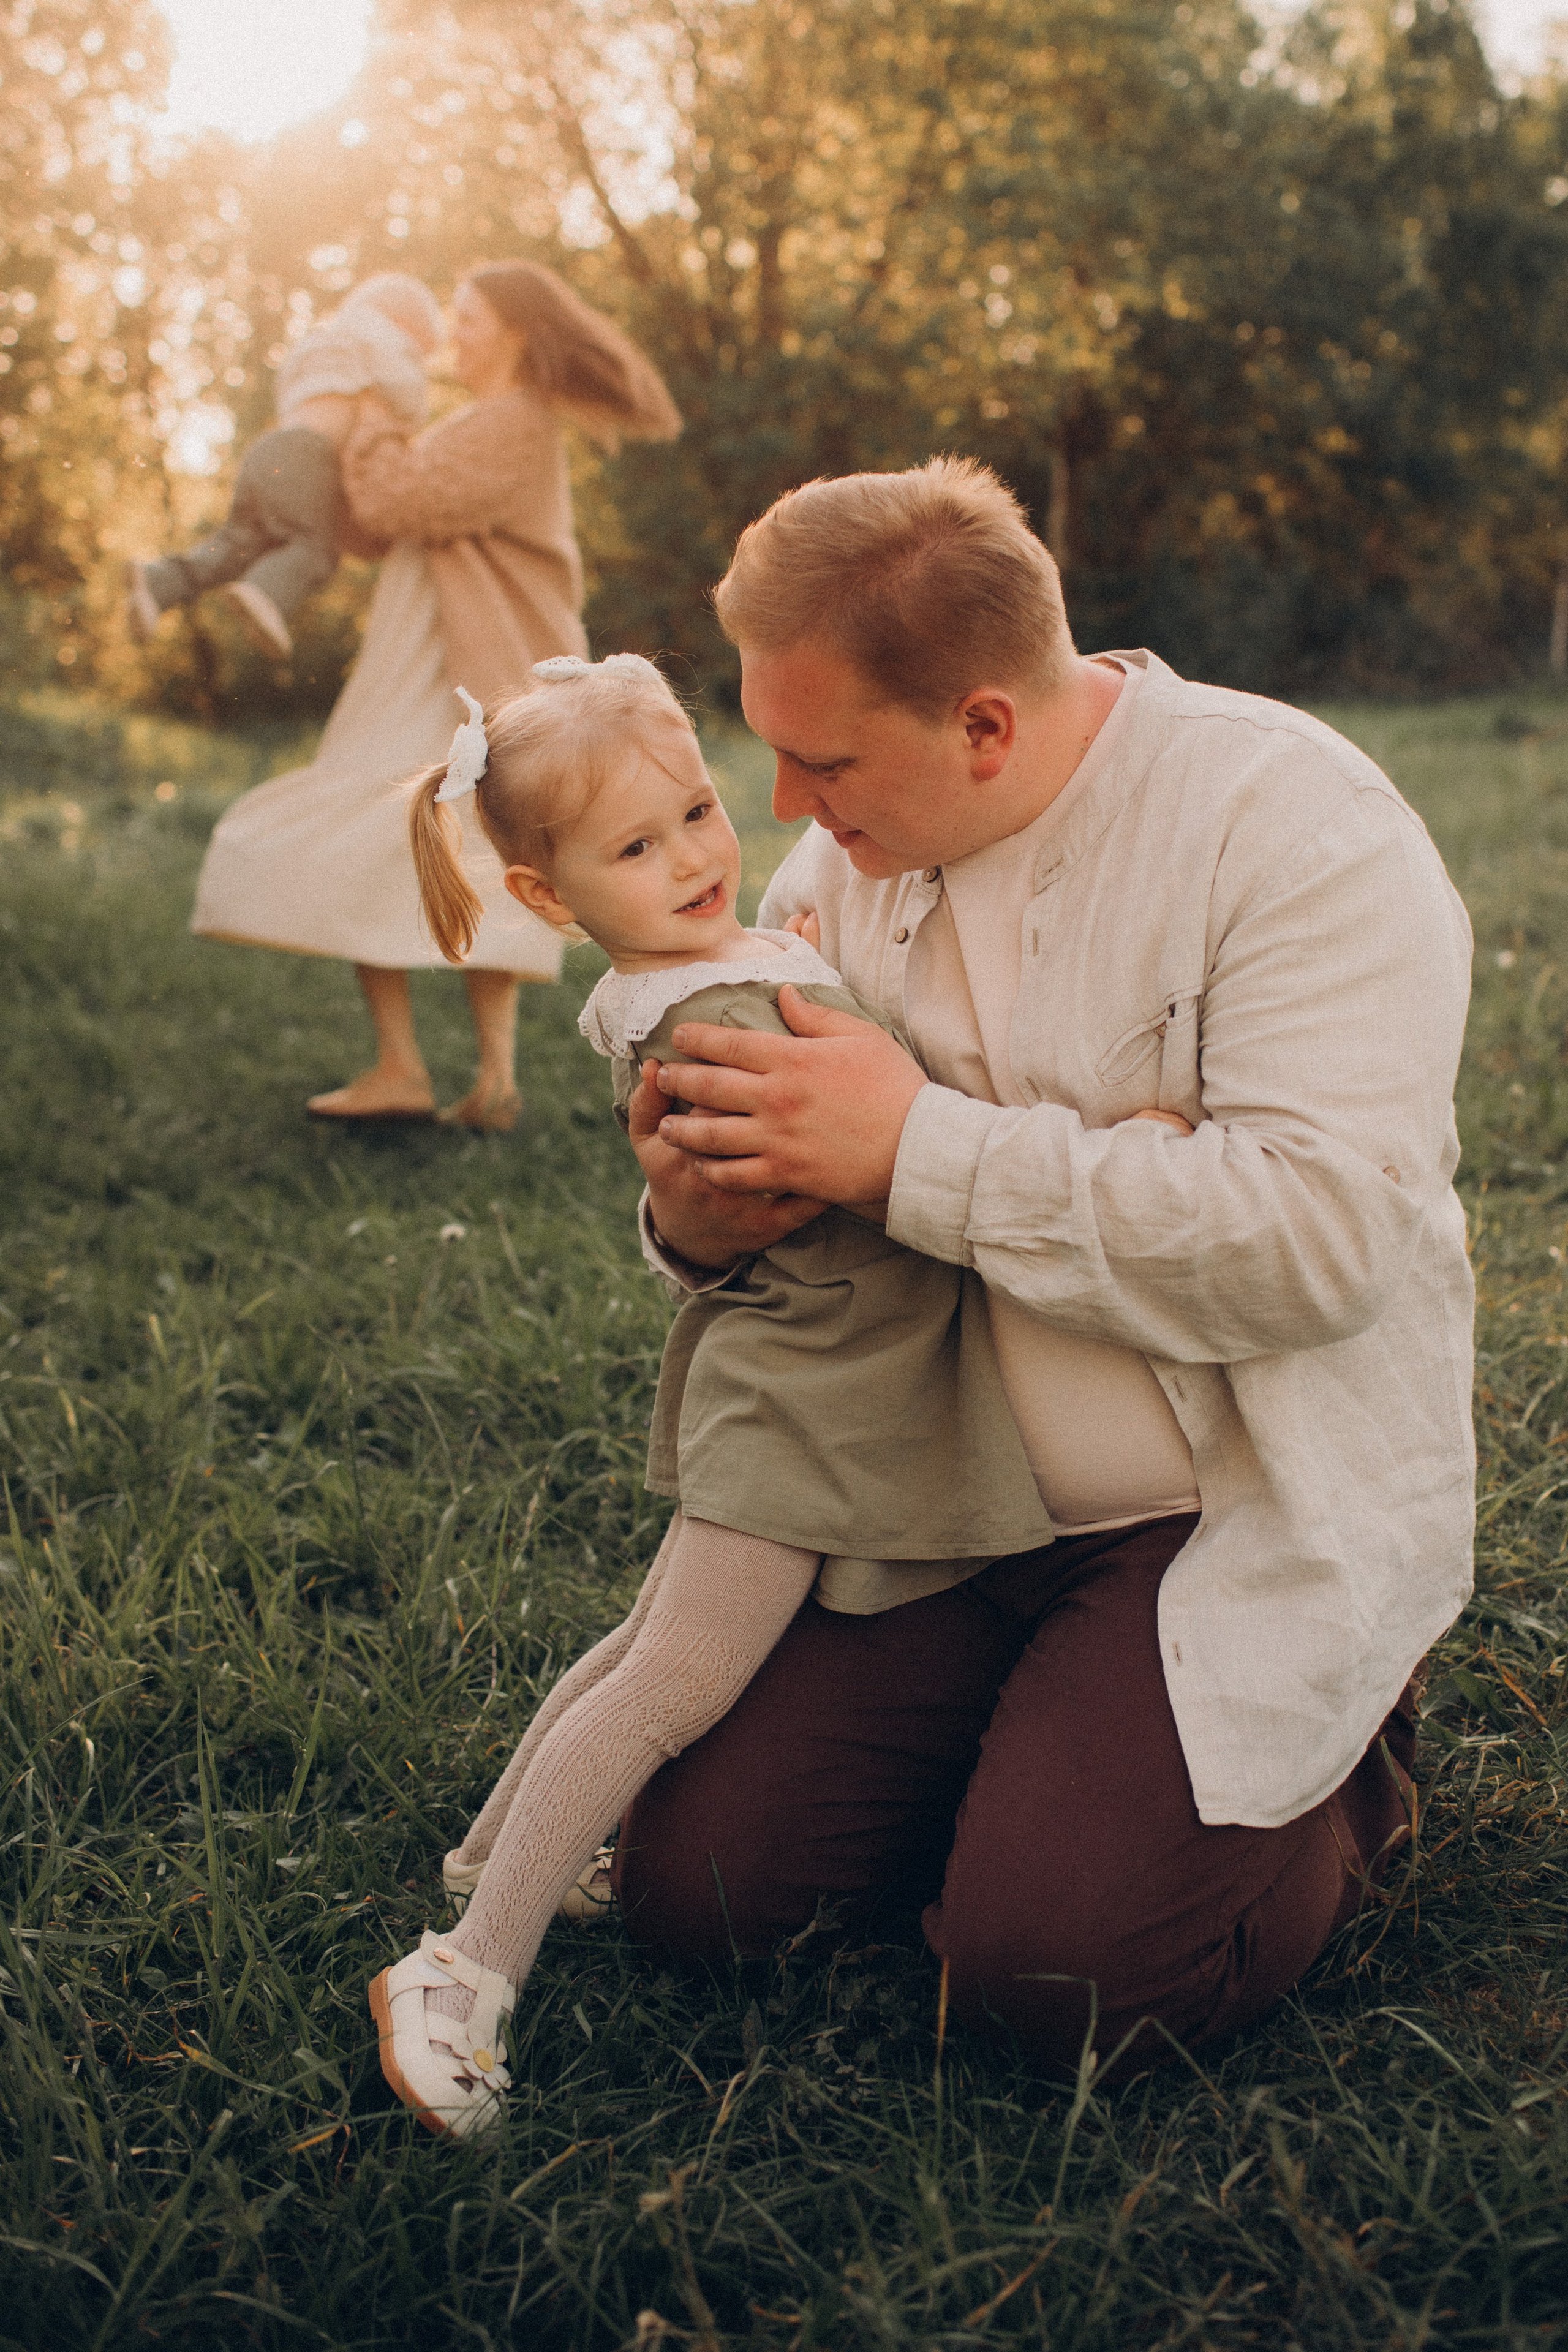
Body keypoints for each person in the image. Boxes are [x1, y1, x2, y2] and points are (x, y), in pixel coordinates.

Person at [606, 456, 1476, 2078]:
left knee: (1059, 1987)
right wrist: (705, 1224)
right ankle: (1050, 1752)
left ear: (984, 727)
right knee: (698, 1895)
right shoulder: (837, 869)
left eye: (822, 759)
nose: (782, 807)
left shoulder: (1293, 823)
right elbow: (790, 1206)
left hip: (1219, 1510)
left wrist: (910, 1147)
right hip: (936, 1502)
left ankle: (1339, 1763)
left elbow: (1320, 1239)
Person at [374, 647, 1134, 2136]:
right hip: (807, 1392)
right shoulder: (714, 1015)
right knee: (675, 1683)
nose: (691, 857)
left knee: (642, 1646)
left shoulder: (717, 967)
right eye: (633, 848)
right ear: (542, 892)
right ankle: (464, 1971)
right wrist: (1095, 1135)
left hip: (796, 1373)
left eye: (695, 811)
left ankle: (491, 1860)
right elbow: (879, 1144)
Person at [190, 262, 680, 1130]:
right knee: (413, 833)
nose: (453, 333)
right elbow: (378, 521)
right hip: (429, 660)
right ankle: (428, 1071)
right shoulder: (482, 423)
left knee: (435, 834)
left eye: (469, 316)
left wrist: (373, 411)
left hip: (465, 669)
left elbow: (400, 501)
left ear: (515, 333)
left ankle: (467, 1077)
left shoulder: (512, 423)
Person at [126, 273, 445, 659]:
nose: (420, 358)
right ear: (404, 322)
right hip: (308, 456)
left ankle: (159, 583)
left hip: (270, 450)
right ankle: (268, 595)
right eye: (422, 348)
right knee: (316, 549)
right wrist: (411, 420)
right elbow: (401, 394)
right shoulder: (383, 340)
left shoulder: (323, 343)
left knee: (238, 545)